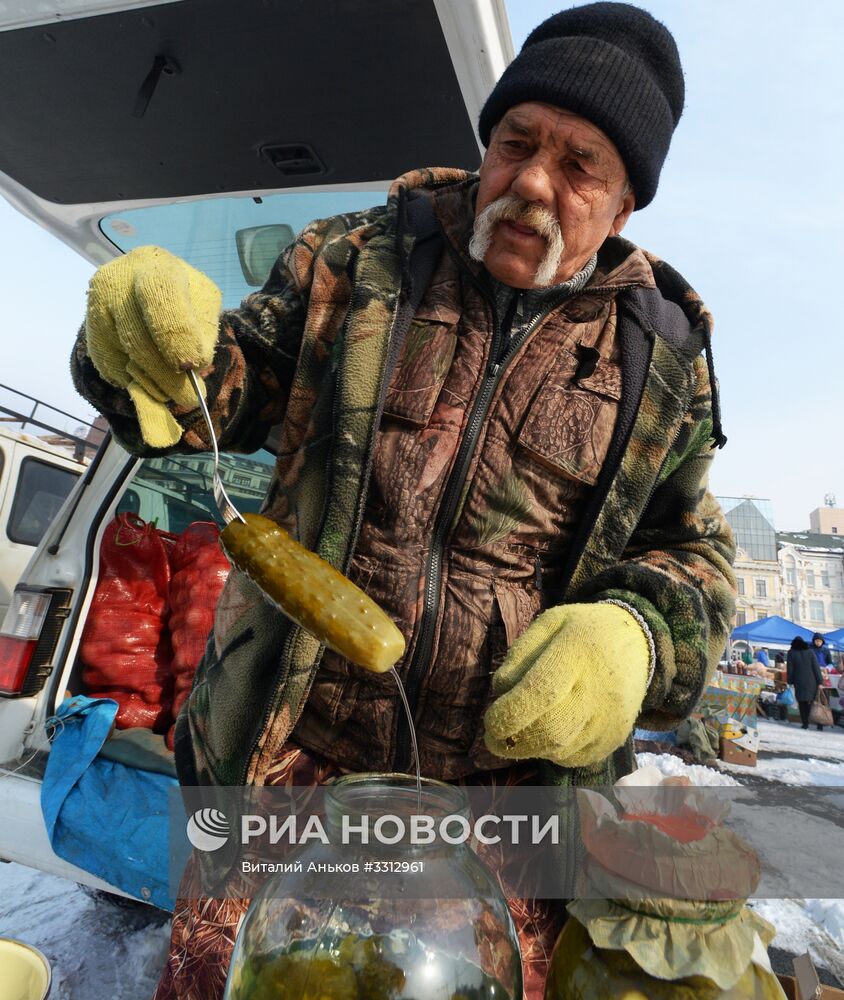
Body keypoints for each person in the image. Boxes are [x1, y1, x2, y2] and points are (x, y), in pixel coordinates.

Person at [70, 4, 736, 997]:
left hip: (502, 819)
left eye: (581, 165)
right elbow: (226, 385)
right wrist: (139, 348)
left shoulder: (661, 356)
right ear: (487, 143)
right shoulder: (355, 260)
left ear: (627, 201)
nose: (535, 185)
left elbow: (693, 551)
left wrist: (637, 635)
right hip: (288, 772)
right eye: (517, 145)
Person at [787, 636, 824, 730]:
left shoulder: (791, 653)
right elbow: (816, 668)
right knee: (814, 702)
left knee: (802, 703)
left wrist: (790, 681)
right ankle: (819, 724)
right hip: (812, 681)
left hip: (799, 681)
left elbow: (790, 669)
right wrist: (820, 681)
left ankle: (805, 724)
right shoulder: (810, 652)